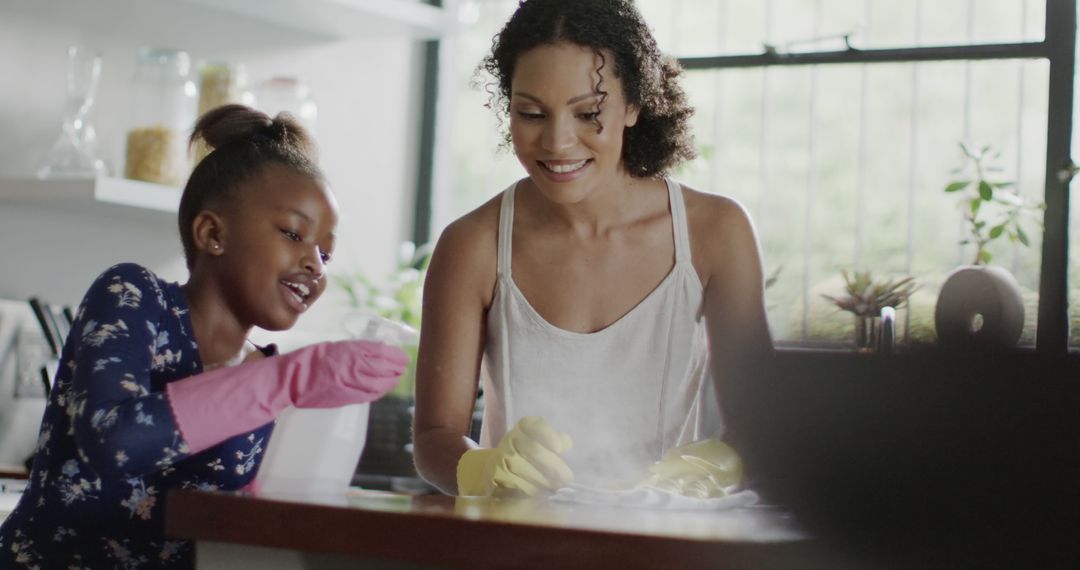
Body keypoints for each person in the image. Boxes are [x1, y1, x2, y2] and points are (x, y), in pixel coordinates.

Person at [0, 104, 408, 568]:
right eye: (294, 234)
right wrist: (285, 380)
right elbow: (113, 440)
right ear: (212, 233)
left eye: (326, 255)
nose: (315, 263)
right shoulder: (134, 296)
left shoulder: (268, 371)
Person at [413, 0, 772, 498]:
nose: (558, 142)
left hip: (660, 544)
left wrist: (724, 463)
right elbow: (433, 438)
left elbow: (759, 427)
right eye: (531, 113)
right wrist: (483, 470)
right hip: (513, 545)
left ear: (633, 105)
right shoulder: (472, 245)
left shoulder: (715, 232)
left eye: (588, 113)